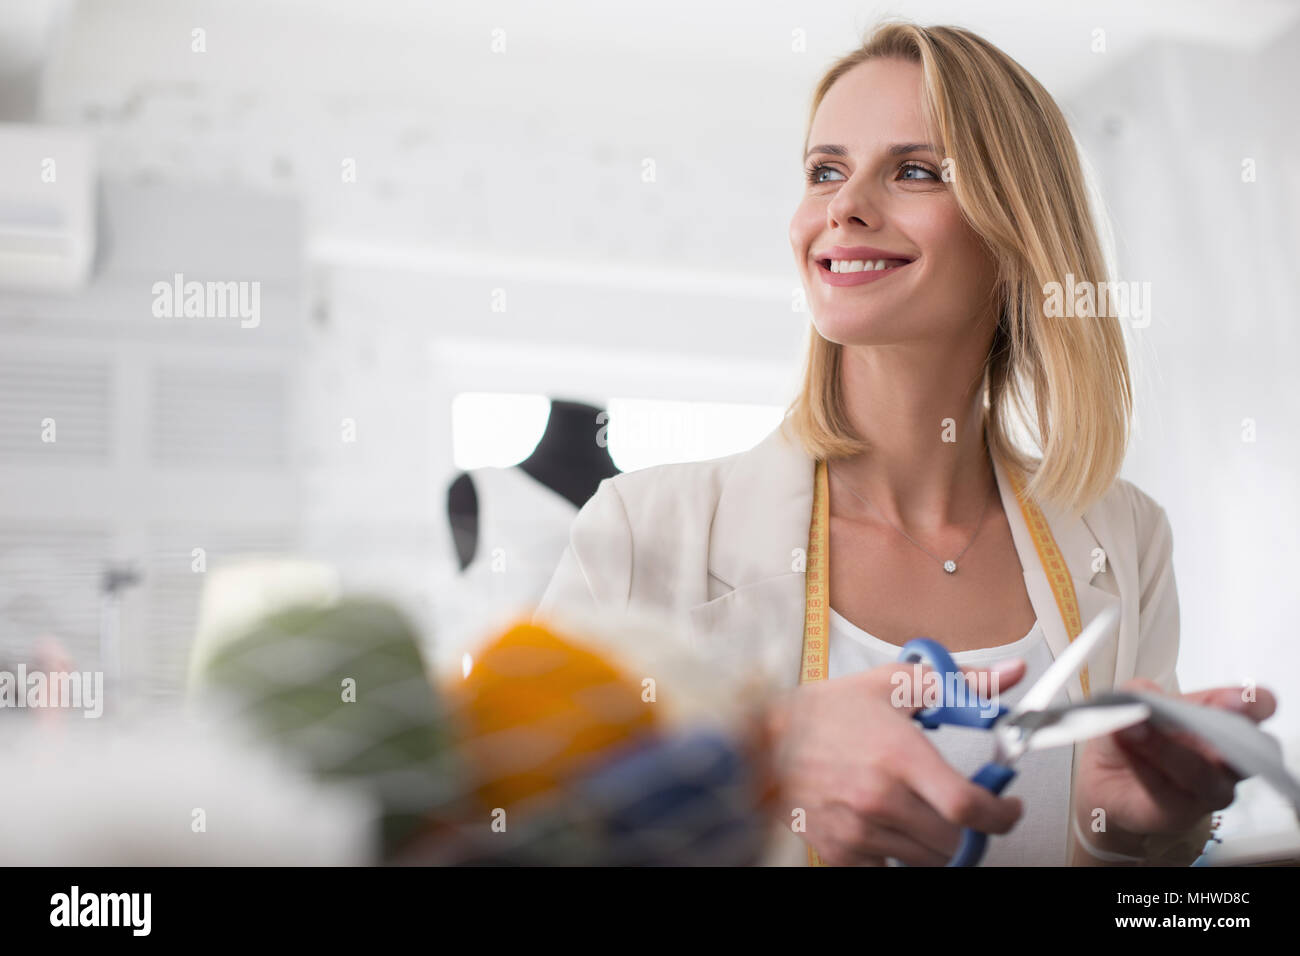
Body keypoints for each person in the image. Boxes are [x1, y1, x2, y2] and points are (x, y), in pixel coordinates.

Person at [534, 21, 1276, 866]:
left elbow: (1151, 888)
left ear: (1016, 233)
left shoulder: (1127, 535)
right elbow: (511, 827)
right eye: (825, 171)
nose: (842, 207)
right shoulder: (640, 531)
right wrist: (763, 766)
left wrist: (1147, 832)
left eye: (914, 170)